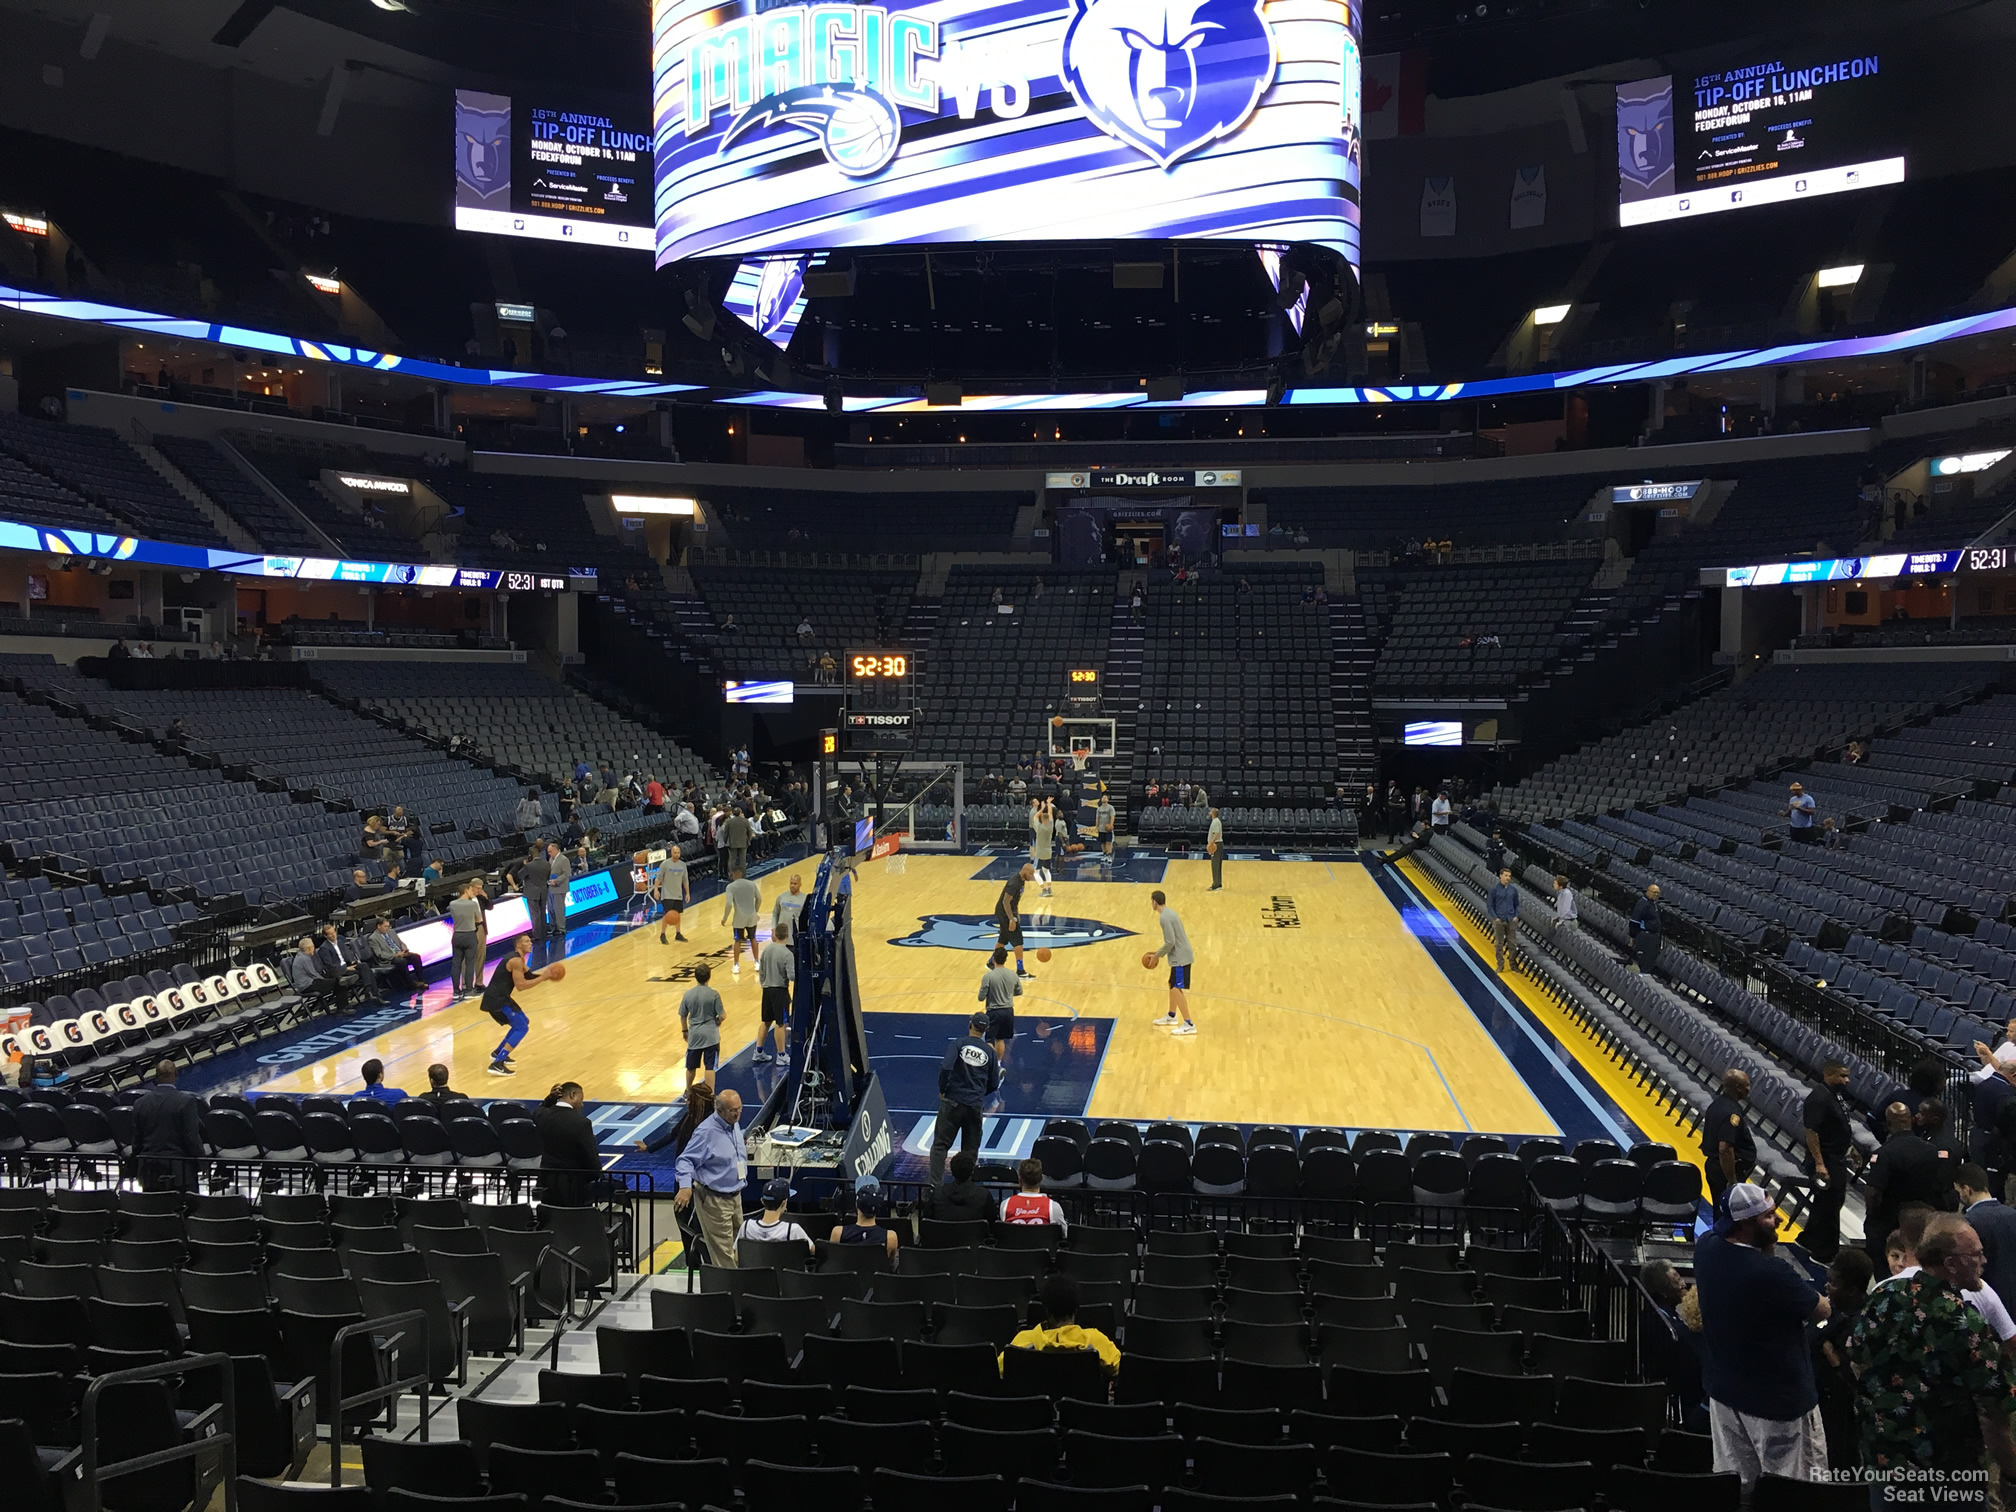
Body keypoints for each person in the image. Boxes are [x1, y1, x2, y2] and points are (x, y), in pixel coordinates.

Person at [1850, 1213, 2016, 1494]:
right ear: (1951, 1264)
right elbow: (1992, 1413)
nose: (1983, 1262)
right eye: (1976, 1255)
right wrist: (2011, 1473)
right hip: (1945, 1477)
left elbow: (1855, 1358)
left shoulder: (1883, 1297)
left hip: (1881, 1465)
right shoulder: (1964, 1322)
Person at [1693, 1182, 1830, 1487]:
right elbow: (1822, 1310)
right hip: (1776, 1405)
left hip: (1725, 1394)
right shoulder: (1771, 1273)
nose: (1779, 1219)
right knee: (1794, 1489)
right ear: (1745, 1224)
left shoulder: (1706, 1247)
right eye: (1768, 1216)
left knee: (1737, 1485)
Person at [1865, 1101, 1956, 1263]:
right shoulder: (1932, 1150)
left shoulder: (1884, 1154)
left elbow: (1873, 1192)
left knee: (1885, 1264)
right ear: (1910, 1120)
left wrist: (1872, 1214)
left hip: (1886, 1220)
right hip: (1918, 1221)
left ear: (1888, 1124)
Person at [1812, 1246, 1875, 1472]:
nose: (1827, 1287)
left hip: (1843, 1411)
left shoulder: (1863, 1322)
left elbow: (1849, 1372)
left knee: (1840, 1462)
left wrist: (1828, 1349)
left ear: (1852, 1290)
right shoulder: (1834, 1308)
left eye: (1834, 1284)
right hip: (1820, 1398)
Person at [674, 1086, 746, 1266]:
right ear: (719, 1110)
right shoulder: (706, 1132)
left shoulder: (733, 1124)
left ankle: (738, 1285)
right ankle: (729, 1291)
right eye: (732, 1111)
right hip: (715, 1200)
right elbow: (685, 1160)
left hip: (736, 1197)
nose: (737, 1114)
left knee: (739, 1247)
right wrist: (684, 1187)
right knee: (723, 1256)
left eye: (739, 1109)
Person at [930, 1012, 1000, 1184]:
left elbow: (946, 1067)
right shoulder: (990, 1053)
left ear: (970, 1024)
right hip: (974, 1106)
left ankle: (933, 1189)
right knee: (970, 1150)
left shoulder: (958, 1044)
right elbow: (994, 1083)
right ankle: (966, 1187)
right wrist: (979, 1093)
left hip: (953, 1102)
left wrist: (943, 1089)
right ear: (986, 1029)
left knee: (940, 1145)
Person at [1002, 1275, 1120, 1377]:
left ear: (1047, 1311)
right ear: (1076, 1310)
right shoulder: (1095, 1340)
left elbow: (1000, 1369)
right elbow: (1118, 1368)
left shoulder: (1023, 1341)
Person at [1798, 1061, 1857, 1261]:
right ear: (1829, 1074)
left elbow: (1840, 1124)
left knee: (1825, 1203)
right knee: (1831, 1206)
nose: (1846, 1080)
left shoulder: (1836, 1095)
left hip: (1837, 1155)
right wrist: (1820, 1164)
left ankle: (1808, 1239)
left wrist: (1851, 1147)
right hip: (1826, 1159)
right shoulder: (1819, 1099)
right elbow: (1811, 1132)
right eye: (1842, 1076)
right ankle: (1824, 1254)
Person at [1640, 1258, 1706, 1432]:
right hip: (1683, 1391)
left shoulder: (1661, 1314)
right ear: (1662, 1289)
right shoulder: (1662, 1322)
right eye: (1677, 1280)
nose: (1683, 1284)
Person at [480, 935, 549, 1076]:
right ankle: (497, 1064)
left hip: (501, 997)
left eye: (530, 940)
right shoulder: (516, 960)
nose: (530, 943)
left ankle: (498, 1052)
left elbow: (529, 977)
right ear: (518, 945)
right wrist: (542, 978)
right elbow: (521, 986)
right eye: (526, 941)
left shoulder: (519, 959)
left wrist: (546, 976)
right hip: (496, 1000)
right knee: (521, 1027)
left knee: (524, 1022)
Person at [132, 1059, 202, 1190]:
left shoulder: (140, 1103)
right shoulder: (186, 1102)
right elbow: (191, 1139)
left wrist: (135, 1168)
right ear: (175, 1074)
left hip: (149, 1172)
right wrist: (202, 1164)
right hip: (179, 1172)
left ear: (156, 1077)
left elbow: (137, 1141)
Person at [1956, 1163, 2016, 1308]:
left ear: (1967, 1189)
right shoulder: (2012, 1215)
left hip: (1984, 1300)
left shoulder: (1968, 1223)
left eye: (1958, 1191)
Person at [533, 1081, 601, 1204]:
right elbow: (590, 1155)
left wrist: (550, 1098)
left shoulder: (541, 1115)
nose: (582, 1104)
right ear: (573, 1095)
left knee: (550, 1215)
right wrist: (598, 1176)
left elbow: (541, 1108)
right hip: (572, 1184)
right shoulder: (581, 1123)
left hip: (546, 1180)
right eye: (581, 1099)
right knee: (572, 1219)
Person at [1701, 1069, 1756, 1214]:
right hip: (1725, 1170)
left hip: (1714, 1166)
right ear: (1737, 1087)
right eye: (1746, 1086)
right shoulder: (1732, 1113)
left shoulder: (1717, 1104)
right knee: (1729, 1213)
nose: (1748, 1089)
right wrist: (1732, 1180)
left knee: (1718, 1210)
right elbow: (1725, 1149)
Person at [1149, 890, 1196, 1035]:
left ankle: (1189, 1023)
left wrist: (1156, 956)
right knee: (1172, 984)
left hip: (1180, 958)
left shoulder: (1164, 918)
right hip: (1180, 955)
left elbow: (1170, 942)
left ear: (1155, 902)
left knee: (1176, 988)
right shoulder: (1170, 912)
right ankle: (1171, 1015)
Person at [679, 963, 726, 1090]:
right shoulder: (714, 994)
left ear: (695, 977)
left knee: (691, 1067)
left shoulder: (688, 994)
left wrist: (684, 1030)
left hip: (695, 1035)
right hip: (711, 1036)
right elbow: (722, 1015)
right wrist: (717, 1021)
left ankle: (688, 1091)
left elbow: (683, 1016)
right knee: (710, 1066)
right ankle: (710, 1094)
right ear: (709, 977)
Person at [740, 1177, 815, 1253]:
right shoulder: (792, 1230)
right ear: (783, 1203)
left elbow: (738, 1255)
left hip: (754, 1265)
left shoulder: (746, 1227)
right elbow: (812, 1251)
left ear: (762, 1201)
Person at [755, 926, 794, 1067]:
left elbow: (761, 972)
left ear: (775, 934)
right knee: (781, 1023)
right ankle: (781, 1055)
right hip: (780, 991)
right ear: (787, 935)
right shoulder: (787, 954)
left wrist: (764, 984)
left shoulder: (766, 950)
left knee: (766, 1021)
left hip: (766, 989)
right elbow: (792, 976)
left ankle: (758, 1051)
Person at [829, 1183, 899, 1259]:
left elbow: (833, 1261)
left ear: (856, 1204)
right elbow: (890, 1264)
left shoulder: (838, 1233)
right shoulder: (891, 1237)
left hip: (847, 1270)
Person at [977, 946, 1021, 1067]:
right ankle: (998, 1064)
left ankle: (989, 1064)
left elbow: (981, 997)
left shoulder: (988, 976)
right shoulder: (1013, 975)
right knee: (1000, 1040)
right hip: (1008, 1011)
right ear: (1005, 959)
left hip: (994, 1011)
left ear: (993, 959)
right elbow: (1019, 992)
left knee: (989, 1040)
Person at [927, 1150, 997, 1224]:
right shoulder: (984, 1195)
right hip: (974, 1235)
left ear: (952, 1172)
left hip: (942, 1235)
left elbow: (925, 1223)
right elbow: (993, 1224)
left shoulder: (937, 1194)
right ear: (972, 1172)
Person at [1001, 1157, 1068, 1230]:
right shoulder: (1053, 1207)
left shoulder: (1005, 1205)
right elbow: (1064, 1235)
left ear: (1019, 1181)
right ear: (1041, 1179)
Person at [718, 868, 762, 979]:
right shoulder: (751, 884)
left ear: (733, 874)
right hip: (751, 916)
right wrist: (755, 911)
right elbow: (759, 898)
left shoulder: (730, 887)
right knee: (753, 938)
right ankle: (757, 963)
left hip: (739, 918)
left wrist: (724, 918)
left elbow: (728, 904)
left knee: (737, 940)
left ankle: (736, 965)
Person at [994, 862, 1034, 979]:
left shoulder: (1021, 880)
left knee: (1003, 939)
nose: (1031, 877)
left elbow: (1014, 901)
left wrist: (1017, 913)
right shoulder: (1014, 883)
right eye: (1030, 874)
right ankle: (1020, 971)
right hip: (1005, 914)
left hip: (1008, 913)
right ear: (1025, 871)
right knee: (1018, 941)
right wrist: (1011, 919)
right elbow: (1005, 902)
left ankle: (992, 962)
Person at [448, 880, 487, 997]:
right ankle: (469, 990)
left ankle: (456, 991)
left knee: (456, 963)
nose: (472, 892)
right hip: (469, 935)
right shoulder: (472, 904)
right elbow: (479, 920)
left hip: (457, 935)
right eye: (471, 890)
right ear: (465, 890)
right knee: (470, 963)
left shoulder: (452, 904)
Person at [364, 917, 421, 995]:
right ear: (378, 926)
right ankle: (410, 983)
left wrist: (404, 949)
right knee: (402, 962)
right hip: (390, 958)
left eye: (388, 926)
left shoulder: (391, 932)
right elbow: (380, 954)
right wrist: (395, 955)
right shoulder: (373, 938)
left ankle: (421, 979)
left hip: (401, 953)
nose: (387, 928)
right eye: (385, 926)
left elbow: (401, 943)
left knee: (416, 957)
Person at [654, 847, 691, 945]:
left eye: (678, 853)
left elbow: (685, 880)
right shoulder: (665, 864)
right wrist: (656, 890)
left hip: (678, 894)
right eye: (675, 853)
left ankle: (678, 933)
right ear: (671, 853)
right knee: (668, 915)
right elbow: (658, 878)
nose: (677, 854)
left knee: (677, 915)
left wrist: (687, 893)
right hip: (667, 894)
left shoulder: (683, 865)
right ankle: (662, 934)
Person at [1487, 867, 1521, 973]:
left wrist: (1516, 915)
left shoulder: (1513, 890)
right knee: (1499, 944)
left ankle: (1512, 964)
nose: (1508, 878)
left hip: (1511, 919)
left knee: (1512, 944)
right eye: (1506, 875)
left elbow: (1517, 904)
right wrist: (1495, 918)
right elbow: (1490, 905)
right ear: (1500, 876)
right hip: (1499, 920)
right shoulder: (1494, 890)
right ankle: (1500, 964)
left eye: (1509, 876)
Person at [1628, 883, 1662, 973]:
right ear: (1648, 892)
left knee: (1651, 961)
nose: (1656, 895)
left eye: (1658, 893)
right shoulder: (1642, 904)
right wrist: (1633, 937)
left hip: (1653, 937)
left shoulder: (1652, 903)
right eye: (1654, 892)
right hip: (1645, 937)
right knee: (1645, 961)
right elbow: (1634, 922)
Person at [544, 842, 571, 951]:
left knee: (559, 909)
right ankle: (553, 927)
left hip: (559, 888)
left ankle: (561, 928)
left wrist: (557, 881)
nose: (549, 854)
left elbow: (566, 873)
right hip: (551, 888)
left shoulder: (564, 859)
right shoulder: (551, 860)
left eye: (550, 851)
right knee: (551, 909)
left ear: (556, 849)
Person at [521, 843, 551, 943]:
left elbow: (520, 875)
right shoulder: (547, 864)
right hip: (543, 891)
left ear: (530, 855)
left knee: (535, 915)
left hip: (532, 892)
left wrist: (525, 865)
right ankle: (544, 932)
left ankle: (537, 935)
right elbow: (547, 877)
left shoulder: (529, 866)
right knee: (542, 913)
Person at [1030, 797, 1056, 899]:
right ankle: (1049, 888)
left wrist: (1041, 808)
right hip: (1048, 852)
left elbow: (1035, 817)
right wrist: (1049, 804)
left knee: (1036, 873)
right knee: (1046, 871)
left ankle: (1044, 890)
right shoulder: (1050, 826)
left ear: (1042, 819)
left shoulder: (1039, 828)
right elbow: (1050, 814)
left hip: (1040, 853)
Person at [772, 874, 808, 941]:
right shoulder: (781, 897)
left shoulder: (805, 899)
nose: (792, 886)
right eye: (791, 883)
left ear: (800, 884)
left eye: (795, 884)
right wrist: (773, 930)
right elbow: (775, 914)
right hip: (780, 937)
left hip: (795, 938)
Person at [722, 806, 751, 878]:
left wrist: (725, 841)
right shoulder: (745, 821)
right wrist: (749, 840)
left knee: (732, 859)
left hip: (732, 843)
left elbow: (726, 833)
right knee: (742, 859)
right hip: (743, 842)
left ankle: (731, 875)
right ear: (740, 813)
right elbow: (749, 832)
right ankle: (743, 874)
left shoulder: (729, 821)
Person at [1095, 791, 1116, 864]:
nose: (1103, 798)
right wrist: (1096, 827)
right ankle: (1104, 855)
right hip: (1101, 828)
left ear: (1108, 799)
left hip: (1108, 828)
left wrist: (1111, 825)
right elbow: (1097, 818)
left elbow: (1112, 817)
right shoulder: (1099, 809)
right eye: (1103, 797)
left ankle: (1109, 855)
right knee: (1102, 842)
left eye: (1105, 797)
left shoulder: (1110, 807)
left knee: (1108, 842)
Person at [1206, 808, 1224, 890]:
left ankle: (1216, 884)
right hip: (1217, 843)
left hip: (1216, 844)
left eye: (1211, 811)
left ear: (1213, 813)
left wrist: (1211, 843)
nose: (1209, 812)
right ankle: (1218, 883)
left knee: (1215, 864)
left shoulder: (1215, 822)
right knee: (1218, 864)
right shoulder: (1216, 821)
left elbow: (1216, 834)